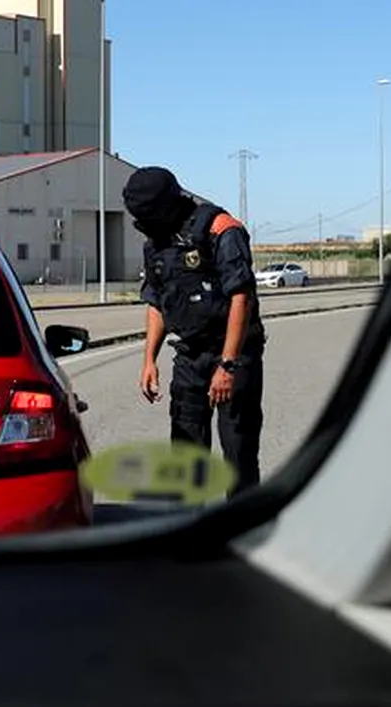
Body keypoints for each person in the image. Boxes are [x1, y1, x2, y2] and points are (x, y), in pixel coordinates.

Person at [122, 166, 265, 498]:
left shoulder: (220, 229)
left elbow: (241, 297)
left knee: (237, 457)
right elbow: (157, 301)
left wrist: (227, 366)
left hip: (234, 356)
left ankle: (241, 532)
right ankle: (191, 535)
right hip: (190, 356)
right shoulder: (156, 242)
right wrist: (149, 360)